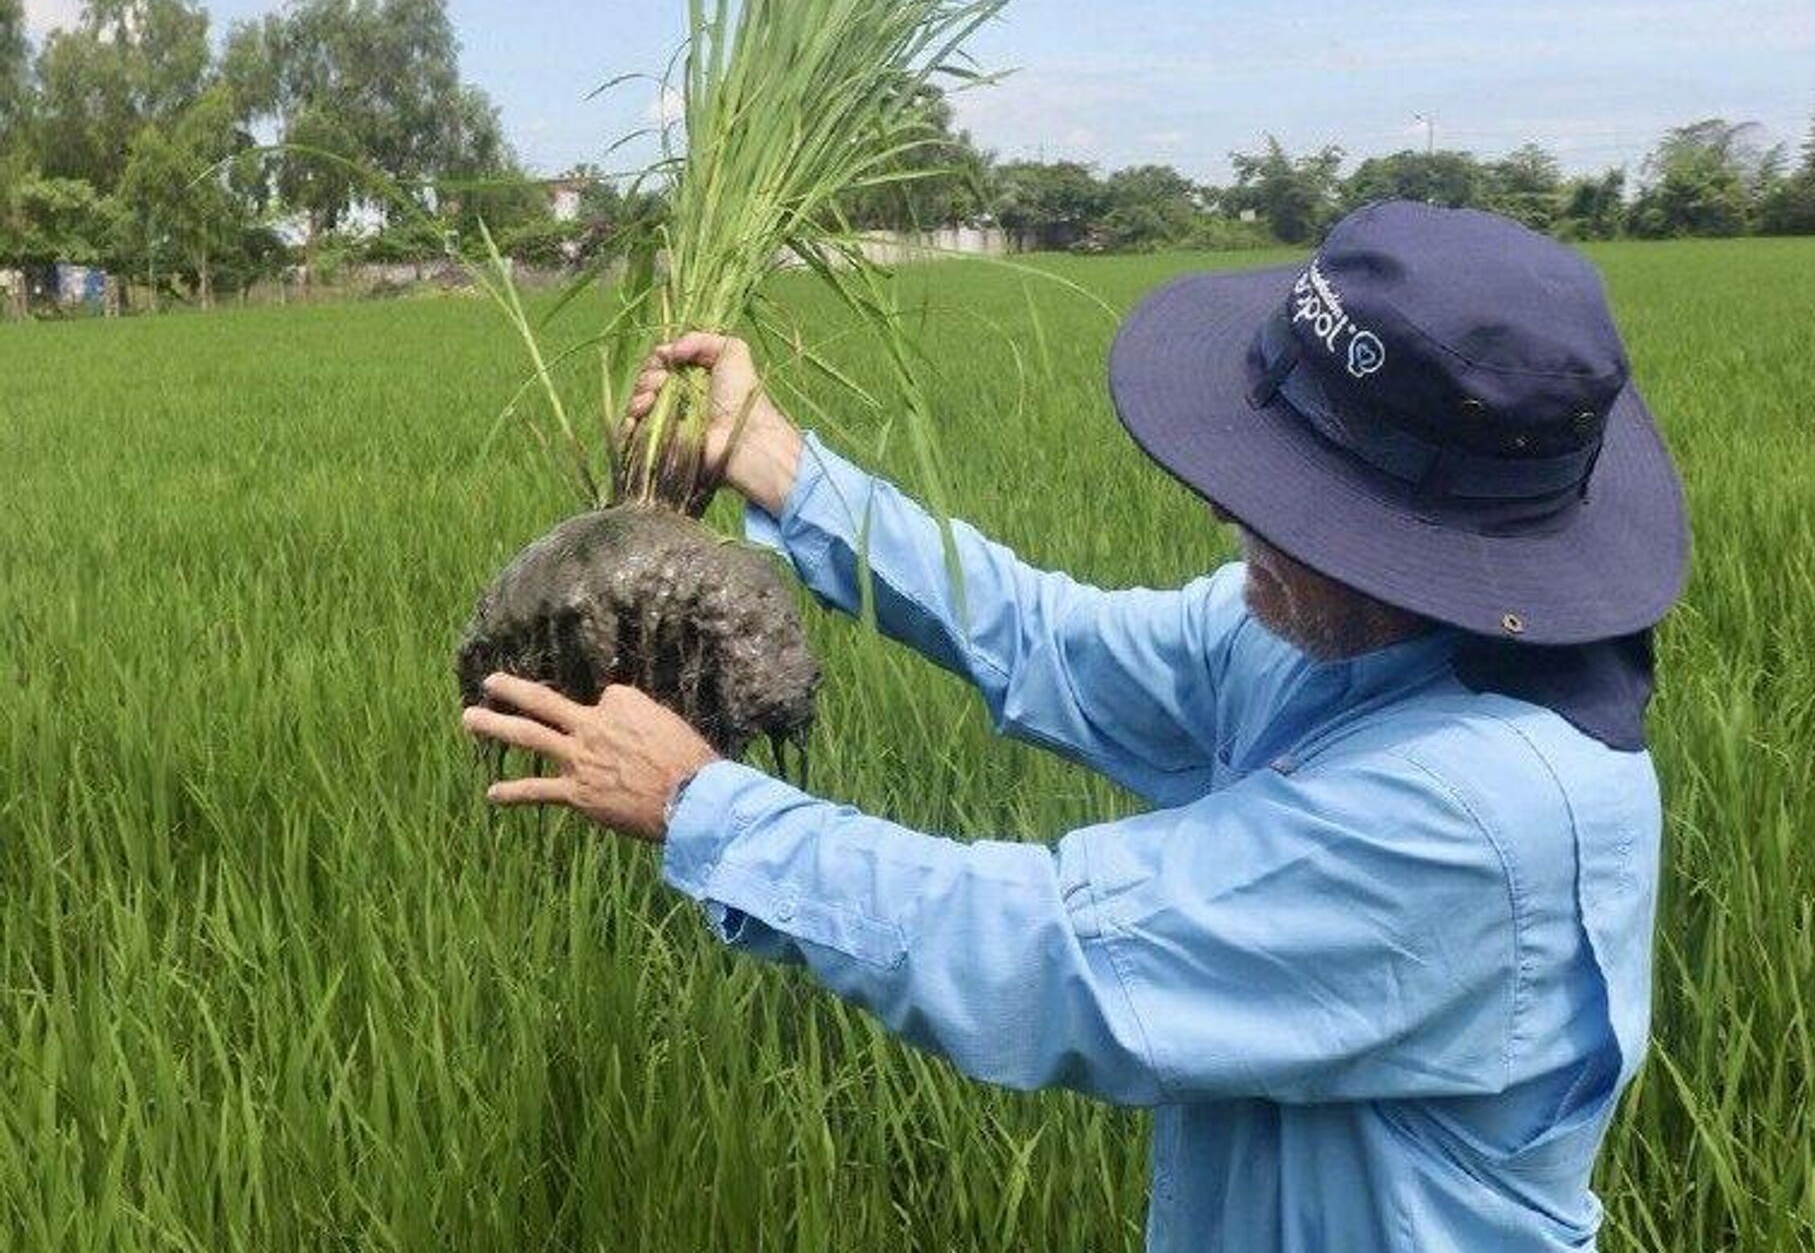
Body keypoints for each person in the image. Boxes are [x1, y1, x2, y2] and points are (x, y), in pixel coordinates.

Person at [462, 199, 1690, 1252]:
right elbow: (1059, 641)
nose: (1233, 519)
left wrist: (703, 806)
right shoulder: (1344, 630)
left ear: (1427, 550)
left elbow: (1051, 951)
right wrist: (787, 469)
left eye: (1298, 508)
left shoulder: (1479, 816)